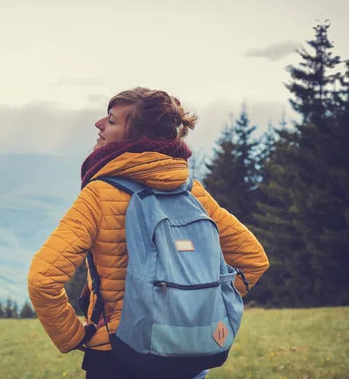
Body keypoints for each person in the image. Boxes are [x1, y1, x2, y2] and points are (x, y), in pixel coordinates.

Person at [27, 87, 269, 378]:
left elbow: (43, 280)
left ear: (138, 138)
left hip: (118, 356)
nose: (99, 124)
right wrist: (196, 309)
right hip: (189, 357)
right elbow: (254, 260)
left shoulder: (99, 195)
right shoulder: (193, 194)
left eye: (112, 121)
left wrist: (73, 337)